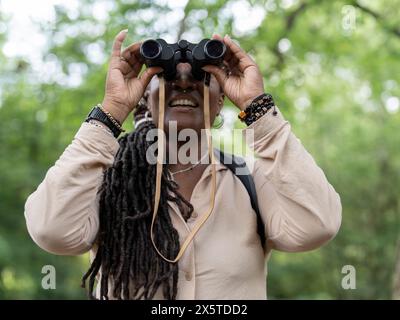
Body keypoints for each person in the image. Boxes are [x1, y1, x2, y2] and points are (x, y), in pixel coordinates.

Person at [24, 30, 342, 300]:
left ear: (221, 101)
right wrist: (110, 112)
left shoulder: (251, 181)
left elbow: (316, 226)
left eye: (203, 77)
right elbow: (52, 231)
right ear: (144, 98)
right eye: (167, 76)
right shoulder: (107, 182)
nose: (185, 83)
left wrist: (258, 108)